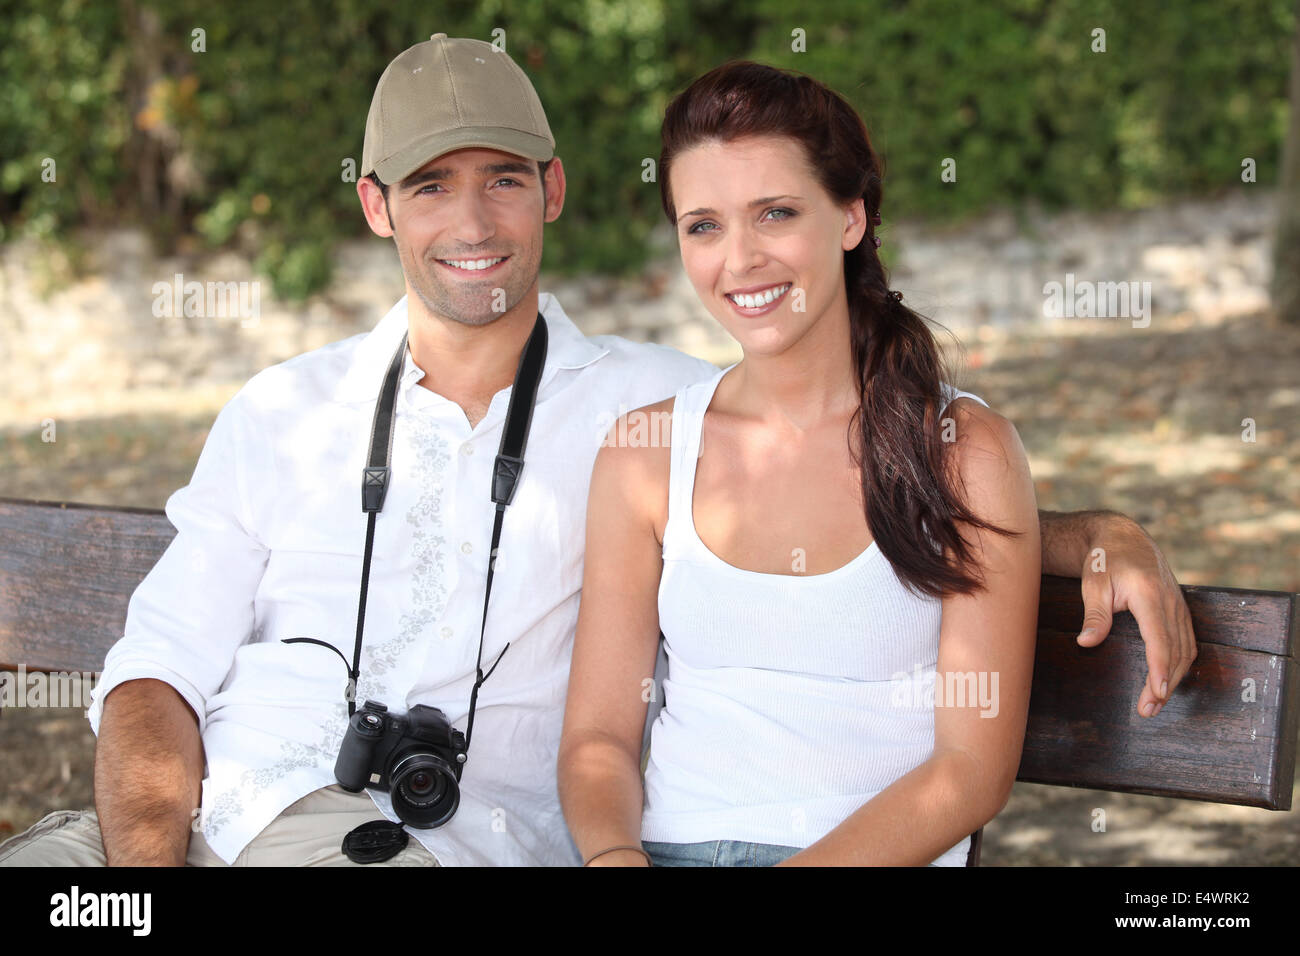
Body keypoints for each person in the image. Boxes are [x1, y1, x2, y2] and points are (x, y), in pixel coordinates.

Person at [1, 37, 1193, 868]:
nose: (472, 225)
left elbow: (860, 441)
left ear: (554, 190)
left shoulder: (643, 409)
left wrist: (1090, 531)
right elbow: (153, 673)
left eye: (503, 181)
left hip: (434, 841)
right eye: (431, 188)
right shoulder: (281, 411)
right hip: (197, 824)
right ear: (376, 207)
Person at [556, 61, 1166, 868]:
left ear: (850, 217)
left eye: (775, 213)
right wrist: (611, 858)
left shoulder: (963, 453)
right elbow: (598, 737)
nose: (738, 260)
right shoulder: (645, 456)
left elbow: (970, 772)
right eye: (703, 225)